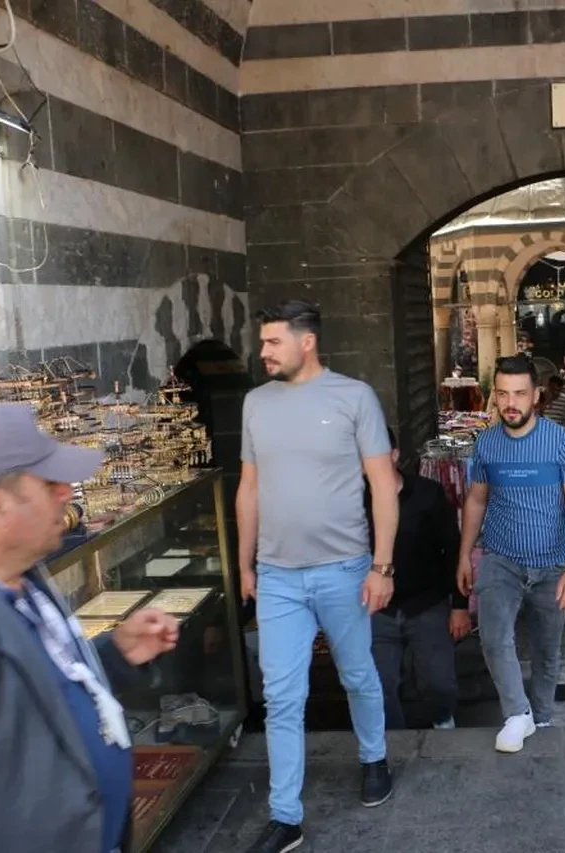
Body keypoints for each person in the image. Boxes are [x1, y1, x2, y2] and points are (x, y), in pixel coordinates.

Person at [0, 403, 180, 853]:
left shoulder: (21, 571)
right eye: (49, 484)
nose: (67, 493)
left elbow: (42, 696)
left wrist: (115, 655)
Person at [237, 300, 400, 853]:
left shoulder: (354, 397)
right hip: (278, 577)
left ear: (306, 342)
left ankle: (374, 757)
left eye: (272, 342)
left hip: (345, 569)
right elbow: (249, 488)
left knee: (358, 675)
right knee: (281, 696)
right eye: (263, 343)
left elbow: (383, 485)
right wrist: (243, 562)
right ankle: (286, 816)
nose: (263, 353)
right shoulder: (255, 404)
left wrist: (382, 566)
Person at [456, 355, 565, 753]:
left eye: (519, 393)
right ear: (493, 396)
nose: (511, 402)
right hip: (501, 559)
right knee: (495, 637)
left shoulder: (561, 442)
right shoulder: (487, 443)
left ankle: (543, 717)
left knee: (547, 650)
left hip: (552, 563)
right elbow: (476, 501)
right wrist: (465, 554)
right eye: (503, 393)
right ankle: (517, 714)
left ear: (536, 395)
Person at [366, 428, 471, 730]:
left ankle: (442, 721)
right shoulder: (354, 501)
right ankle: (391, 747)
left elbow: (453, 548)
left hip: (427, 603)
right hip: (376, 610)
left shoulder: (427, 494)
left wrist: (459, 605)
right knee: (378, 687)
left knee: (439, 683)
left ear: (395, 455)